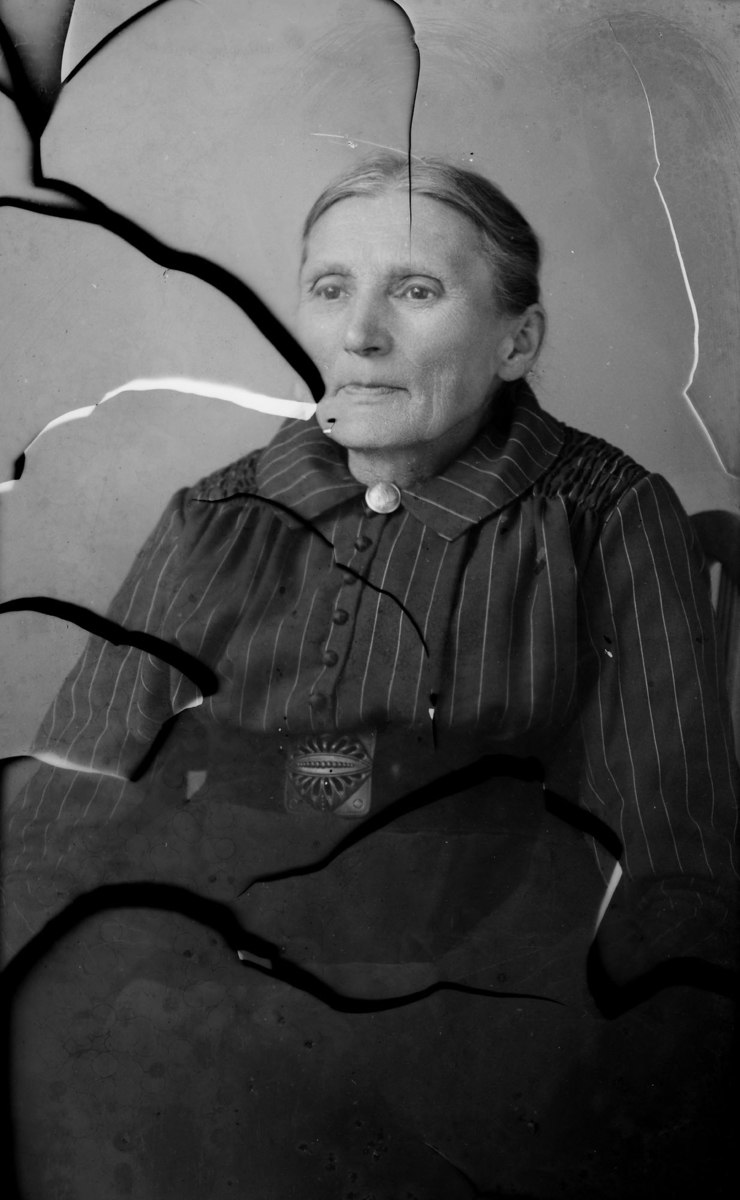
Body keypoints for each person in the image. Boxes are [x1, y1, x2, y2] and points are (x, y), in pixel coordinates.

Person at [4, 154, 738, 1199]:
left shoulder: (600, 513)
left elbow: (670, 840)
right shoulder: (217, 514)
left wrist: (650, 1036)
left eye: (416, 290)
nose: (360, 335)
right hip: (211, 937)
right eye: (330, 288)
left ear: (517, 340)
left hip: (475, 968)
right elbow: (77, 779)